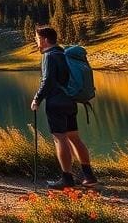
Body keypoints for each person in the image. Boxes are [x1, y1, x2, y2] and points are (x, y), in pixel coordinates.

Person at [31, 25, 98, 189]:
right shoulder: (64, 53)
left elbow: (47, 81)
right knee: (74, 137)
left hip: (56, 102)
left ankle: (67, 179)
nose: (37, 43)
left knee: (59, 138)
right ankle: (89, 176)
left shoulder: (49, 56)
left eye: (37, 39)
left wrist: (37, 99)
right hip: (70, 101)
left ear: (45, 40)